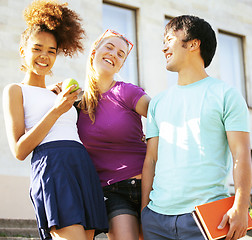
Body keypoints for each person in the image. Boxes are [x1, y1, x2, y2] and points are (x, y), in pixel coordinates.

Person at [2, 1, 108, 240]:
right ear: (23, 50)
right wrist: (57, 110)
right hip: (53, 165)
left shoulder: (57, 93)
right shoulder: (15, 90)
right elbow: (19, 150)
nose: (44, 56)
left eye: (51, 51)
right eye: (37, 48)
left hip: (81, 164)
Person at [141, 15, 252, 240]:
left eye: (169, 39)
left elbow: (241, 153)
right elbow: (151, 159)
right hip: (156, 219)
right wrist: (144, 212)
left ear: (193, 44)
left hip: (205, 218)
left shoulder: (226, 95)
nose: (164, 48)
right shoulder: (158, 103)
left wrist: (241, 207)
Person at [76, 29, 151, 240]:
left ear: (121, 65)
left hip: (150, 186)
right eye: (109, 47)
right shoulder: (75, 104)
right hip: (112, 192)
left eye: (121, 54)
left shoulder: (127, 91)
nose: (114, 54)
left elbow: (162, 117)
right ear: (94, 51)